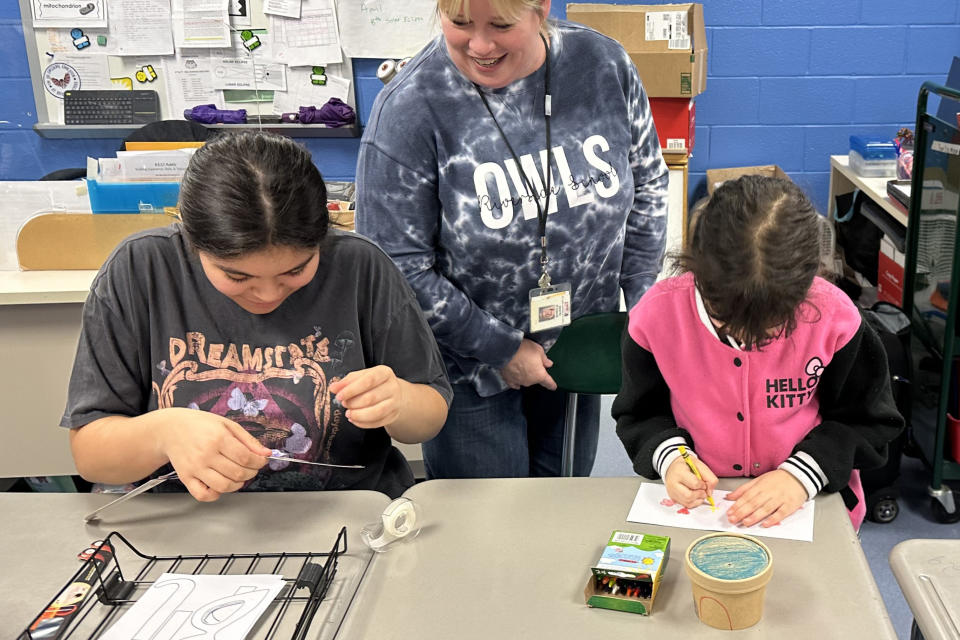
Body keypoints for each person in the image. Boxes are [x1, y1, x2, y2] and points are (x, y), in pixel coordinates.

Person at [355, 0, 668, 479]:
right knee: (487, 526)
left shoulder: (602, 65)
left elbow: (648, 183)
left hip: (577, 342)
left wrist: (643, 302)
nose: (479, 46)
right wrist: (501, 348)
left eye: (500, 25)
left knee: (560, 506)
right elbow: (397, 264)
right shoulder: (411, 107)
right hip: (469, 368)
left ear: (540, 8)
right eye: (459, 23)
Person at [62, 131, 452, 501]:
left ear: (322, 238)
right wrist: (163, 432)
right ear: (191, 242)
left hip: (347, 511)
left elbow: (429, 415)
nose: (267, 294)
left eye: (295, 271)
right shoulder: (140, 269)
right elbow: (92, 456)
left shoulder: (361, 266)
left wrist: (399, 401)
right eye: (236, 276)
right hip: (186, 518)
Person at [612, 175, 904, 530]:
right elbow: (639, 414)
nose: (743, 339)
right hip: (702, 509)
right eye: (723, 319)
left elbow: (870, 422)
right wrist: (672, 457)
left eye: (768, 327)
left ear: (806, 286)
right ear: (696, 269)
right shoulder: (655, 317)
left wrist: (801, 476)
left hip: (809, 503)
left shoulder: (835, 318)